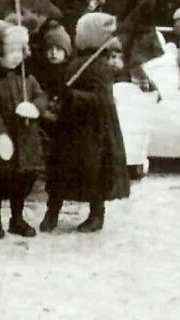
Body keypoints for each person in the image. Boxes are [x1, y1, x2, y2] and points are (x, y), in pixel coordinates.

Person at [43, 13, 131, 232]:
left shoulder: (99, 65)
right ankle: (52, 212)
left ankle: (96, 214)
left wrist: (73, 96)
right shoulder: (80, 61)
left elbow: (102, 100)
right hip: (71, 125)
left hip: (93, 129)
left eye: (79, 32)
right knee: (60, 170)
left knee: (94, 172)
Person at [0, 20, 52, 239]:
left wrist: (35, 108)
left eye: (19, 50)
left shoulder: (27, 78)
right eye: (11, 50)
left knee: (23, 178)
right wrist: (0, 135)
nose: (16, 55)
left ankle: (17, 217)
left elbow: (42, 96)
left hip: (24, 139)